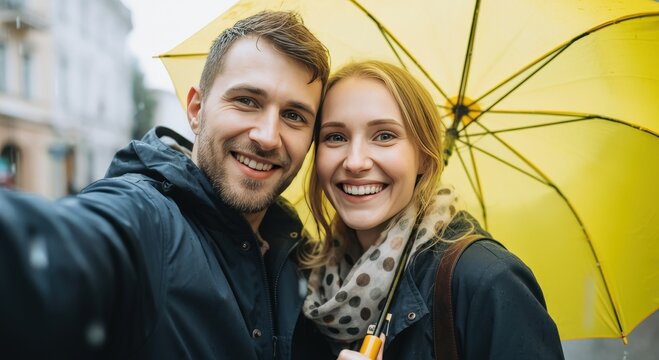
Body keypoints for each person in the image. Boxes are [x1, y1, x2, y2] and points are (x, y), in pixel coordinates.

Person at [0, 11, 329, 359]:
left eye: (294, 116)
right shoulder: (147, 219)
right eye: (247, 101)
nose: (267, 137)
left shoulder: (298, 254)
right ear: (196, 110)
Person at [292, 61, 565, 360]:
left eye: (384, 136)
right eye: (336, 137)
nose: (355, 162)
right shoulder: (309, 276)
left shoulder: (487, 280)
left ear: (423, 157)